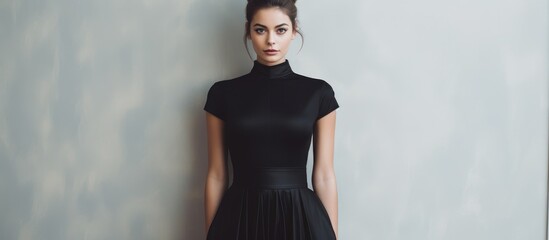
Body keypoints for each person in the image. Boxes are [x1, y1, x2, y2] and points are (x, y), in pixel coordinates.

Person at [203, 0, 339, 239]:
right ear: (249, 31)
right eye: (260, 29)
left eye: (281, 29)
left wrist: (333, 236)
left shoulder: (319, 93)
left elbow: (325, 175)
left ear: (294, 30)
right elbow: (216, 174)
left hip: (300, 217)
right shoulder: (222, 94)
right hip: (240, 218)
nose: (271, 41)